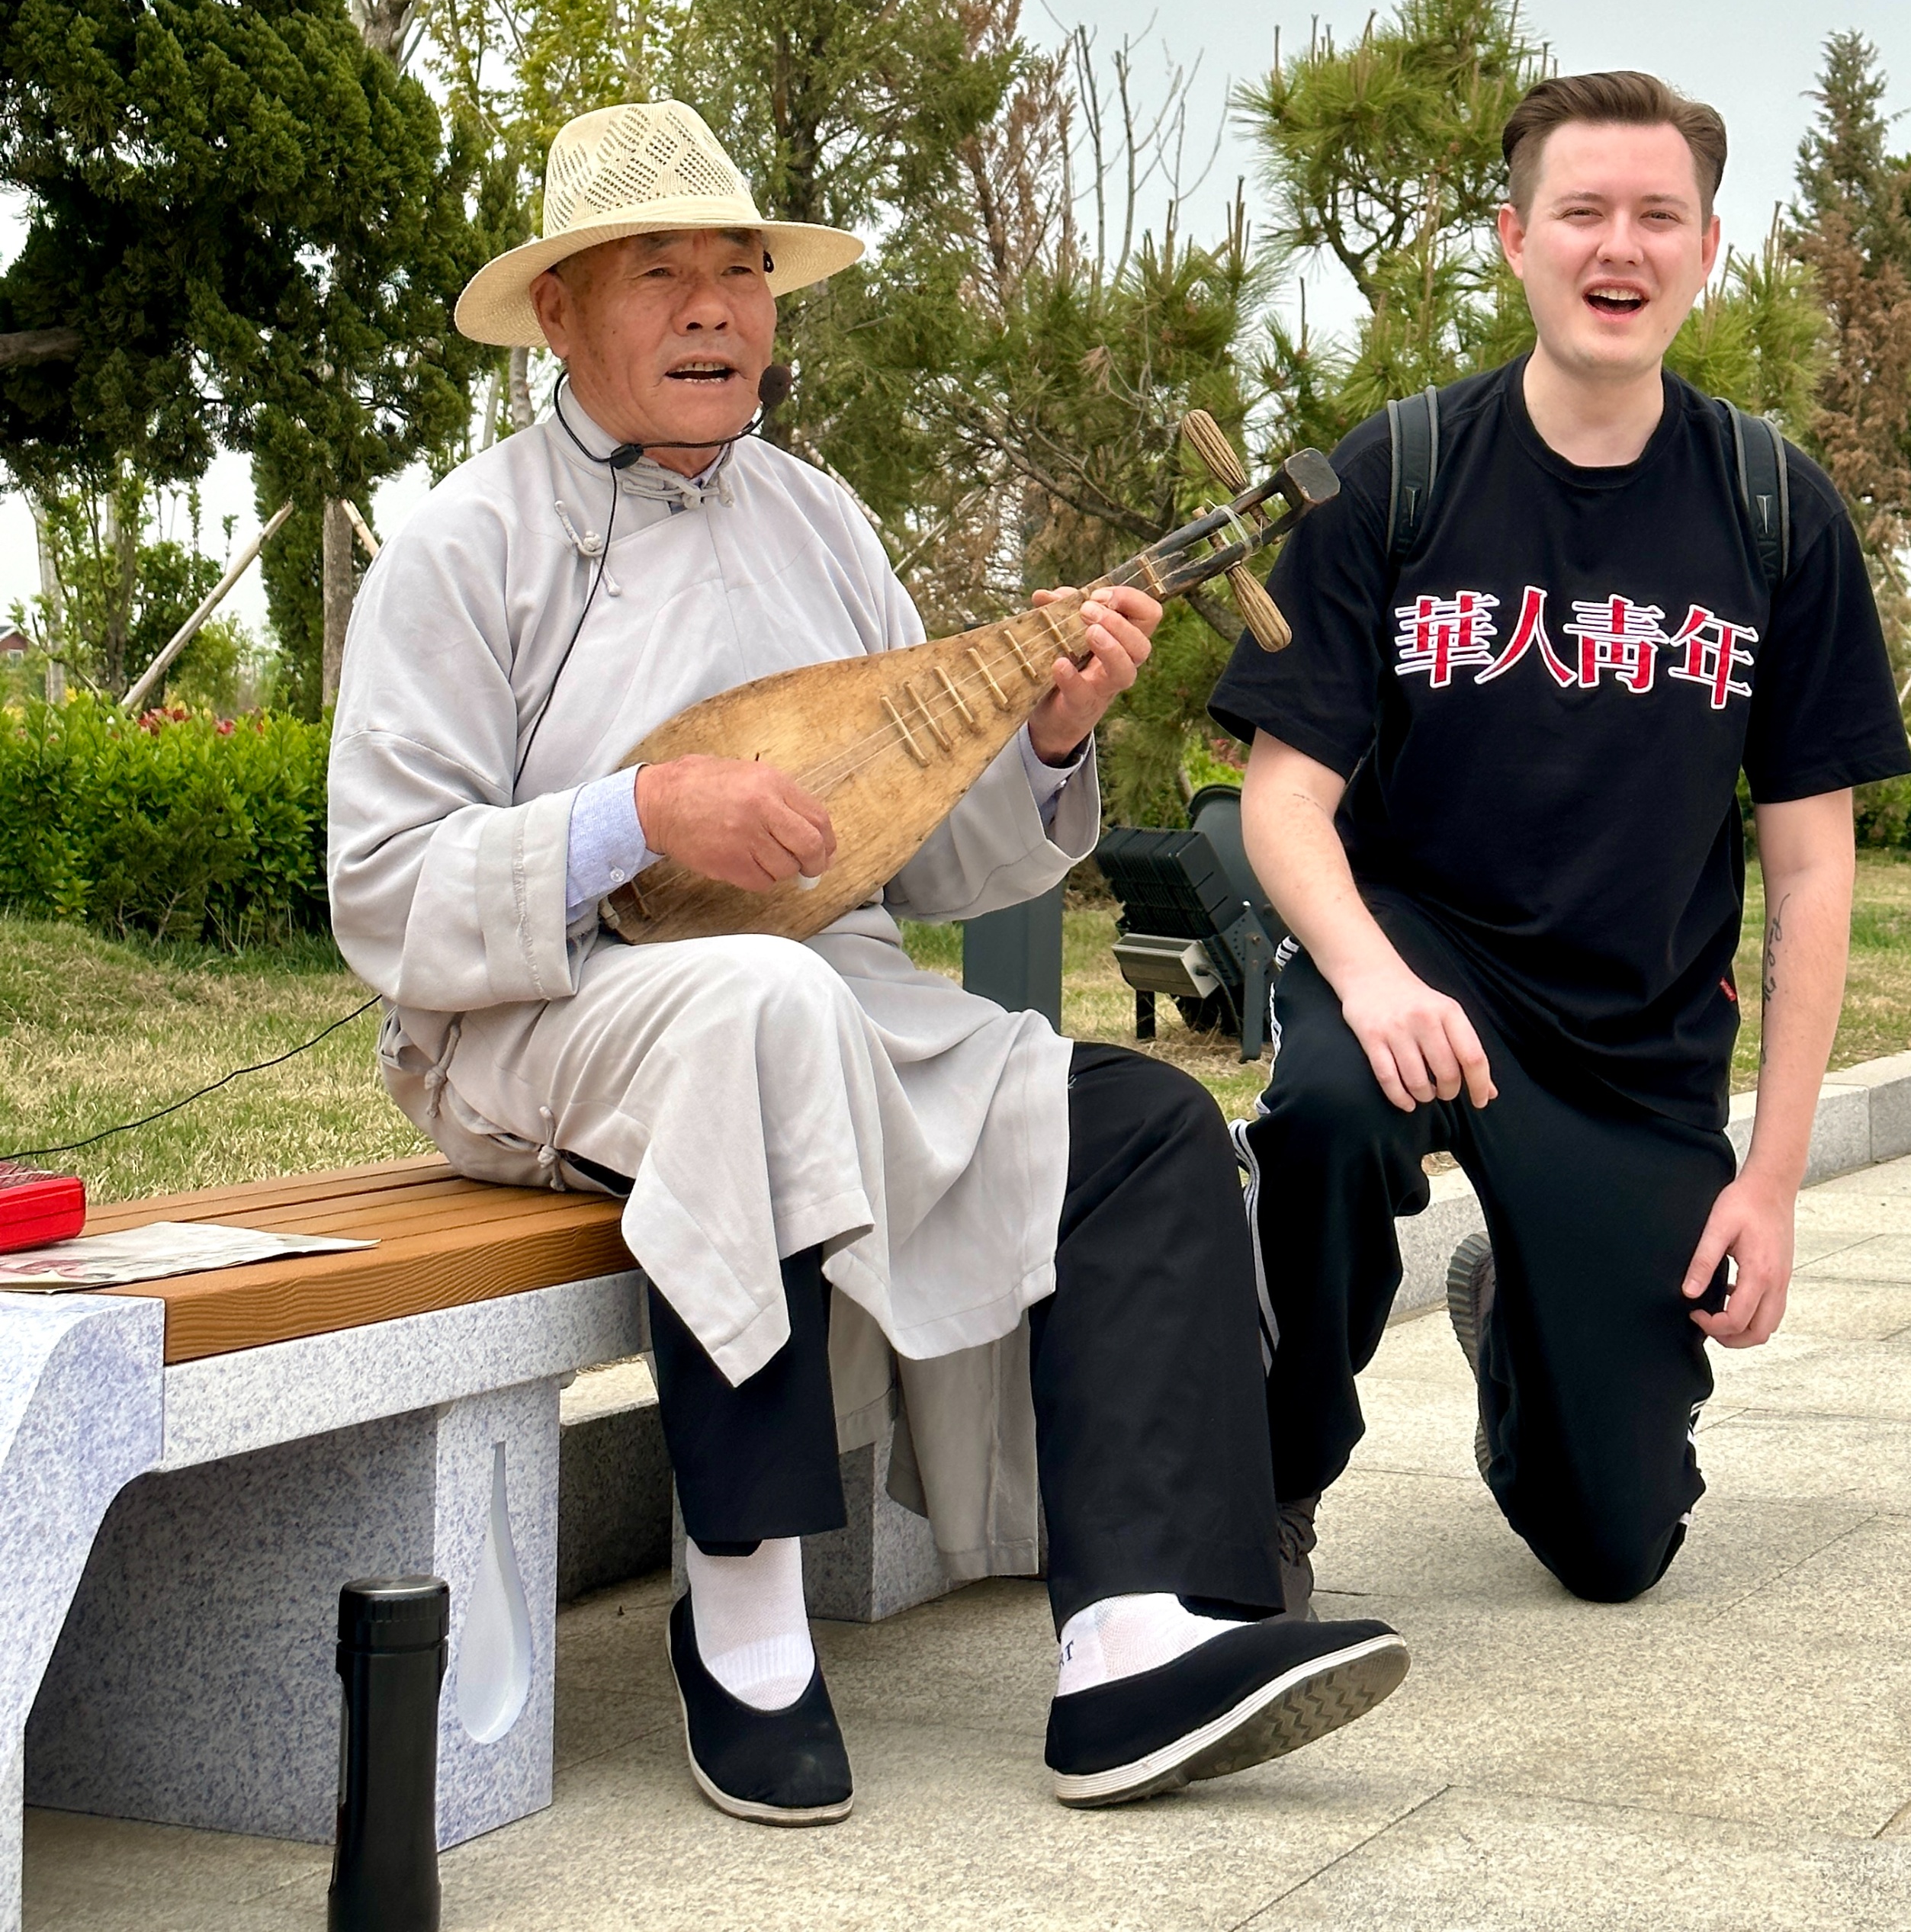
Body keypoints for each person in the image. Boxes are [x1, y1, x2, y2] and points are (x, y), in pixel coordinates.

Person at [328, 98, 1406, 1826]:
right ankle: (740, 1614)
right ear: (558, 313)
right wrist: (635, 818)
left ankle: (1138, 1633)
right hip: (534, 1018)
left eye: (740, 273)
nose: (711, 309)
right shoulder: (468, 545)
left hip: (820, 994)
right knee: (756, 1008)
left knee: (1137, 1124)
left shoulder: (819, 520)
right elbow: (380, 890)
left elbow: (930, 855)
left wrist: (1047, 739)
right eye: (658, 273)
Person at [1211, 69, 1911, 1614]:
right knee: (1326, 1112)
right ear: (1516, 240)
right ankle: (1265, 1487)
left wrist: (1774, 1179)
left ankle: (1512, 1304)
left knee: (1615, 1551)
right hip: (1420, 964)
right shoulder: (1397, 477)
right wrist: (1369, 981)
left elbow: (1809, 869)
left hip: (1632, 1034)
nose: (1621, 245)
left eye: (1657, 215)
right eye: (1583, 211)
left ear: (1707, 251)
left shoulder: (1769, 508)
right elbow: (1282, 794)